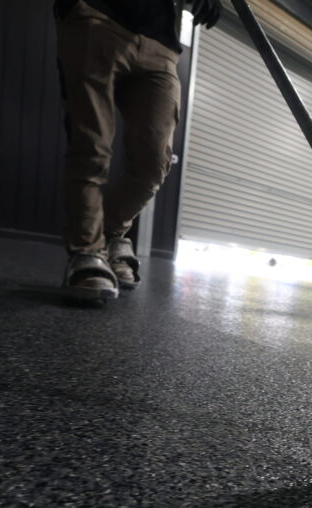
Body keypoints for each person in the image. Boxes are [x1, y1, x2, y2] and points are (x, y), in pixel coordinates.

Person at [54, 0, 220, 301]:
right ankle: (87, 252)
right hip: (98, 14)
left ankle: (112, 233)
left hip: (162, 42)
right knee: (92, 146)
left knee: (153, 163)